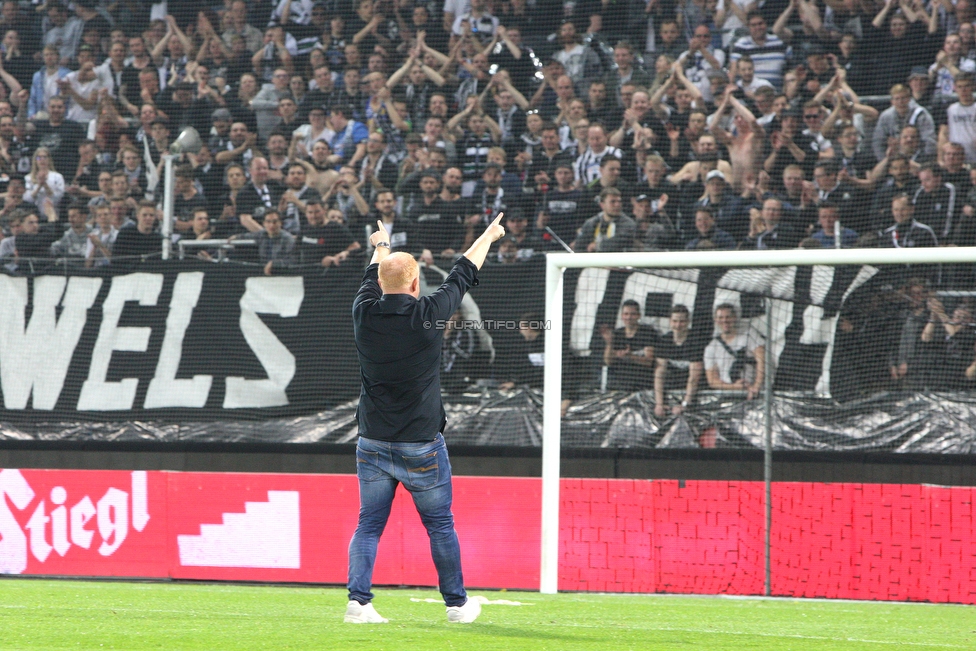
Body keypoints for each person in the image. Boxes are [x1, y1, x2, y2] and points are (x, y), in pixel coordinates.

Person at [346, 210, 507, 625]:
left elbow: (372, 275)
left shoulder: (363, 312)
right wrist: (489, 235)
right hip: (421, 445)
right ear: (416, 284)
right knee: (439, 526)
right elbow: (463, 271)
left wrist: (380, 245)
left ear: (380, 283)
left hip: (373, 443)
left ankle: (358, 604)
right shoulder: (430, 314)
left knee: (368, 526)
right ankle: (456, 606)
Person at [704, 303, 766, 400]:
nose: (724, 321)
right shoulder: (711, 347)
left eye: (728, 317)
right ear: (715, 320)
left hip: (753, 394)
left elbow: (762, 360)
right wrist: (735, 387)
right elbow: (712, 380)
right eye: (720, 317)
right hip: (727, 396)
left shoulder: (749, 336)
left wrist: (756, 386)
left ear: (734, 318)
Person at [654, 304, 703, 417]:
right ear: (670, 321)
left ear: (687, 322)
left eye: (681, 321)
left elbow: (694, 377)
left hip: (692, 396)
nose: (678, 325)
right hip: (670, 393)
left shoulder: (696, 342)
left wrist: (685, 404)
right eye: (675, 321)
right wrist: (659, 404)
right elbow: (659, 373)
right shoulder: (664, 341)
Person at [600, 299, 658, 391]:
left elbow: (649, 361)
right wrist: (609, 343)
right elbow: (608, 361)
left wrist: (630, 357)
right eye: (626, 314)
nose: (629, 317)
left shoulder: (648, 332)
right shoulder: (617, 334)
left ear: (638, 316)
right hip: (618, 384)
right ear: (622, 316)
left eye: (632, 314)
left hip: (642, 384)